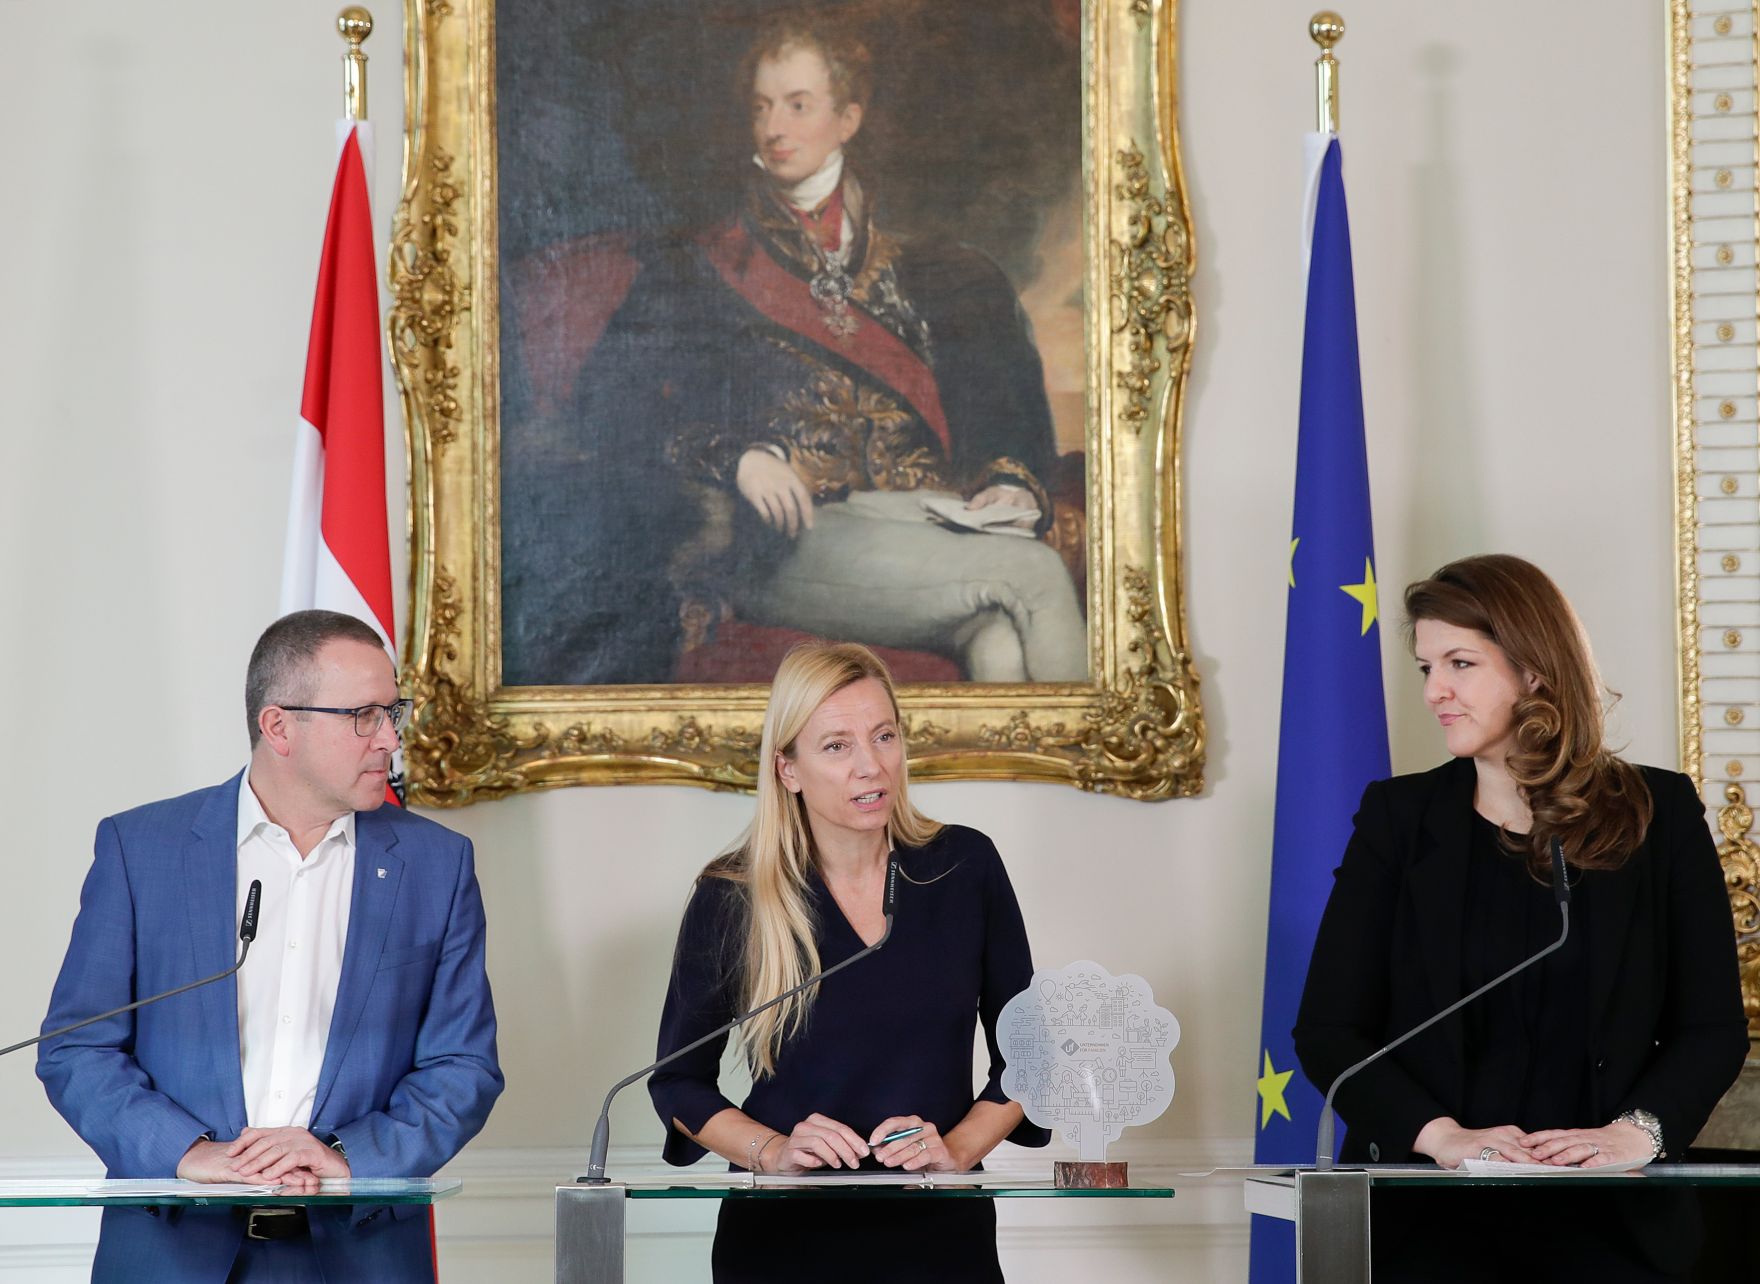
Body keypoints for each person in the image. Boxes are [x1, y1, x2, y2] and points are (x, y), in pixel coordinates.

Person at [505, 14, 1086, 685]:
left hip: (927, 531)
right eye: (762, 107)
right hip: (784, 543)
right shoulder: (696, 269)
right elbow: (608, 406)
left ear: (848, 118)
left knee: (1002, 641)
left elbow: (998, 415)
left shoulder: (931, 273)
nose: (774, 127)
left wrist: (1009, 481)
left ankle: (1010, 790)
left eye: (798, 105)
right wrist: (737, 455)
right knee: (1035, 574)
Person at [1293, 554, 1748, 1282]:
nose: (1435, 691)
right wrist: (1444, 1138)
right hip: (1429, 1219)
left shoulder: (1658, 814)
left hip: (1614, 1224)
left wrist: (1637, 1134)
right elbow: (1328, 1030)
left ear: (1535, 670)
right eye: (1426, 668)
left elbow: (1713, 1027)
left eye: (1460, 663)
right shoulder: (1399, 820)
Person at [38, 610, 504, 1283]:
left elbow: (464, 1066)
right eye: (365, 716)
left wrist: (348, 1159)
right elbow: (77, 1046)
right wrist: (186, 1151)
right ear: (279, 725)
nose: (391, 741)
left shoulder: (437, 865)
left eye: (393, 712)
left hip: (359, 1253)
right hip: (172, 1252)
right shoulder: (142, 850)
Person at [649, 641, 1049, 1281]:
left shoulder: (964, 867)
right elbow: (676, 1082)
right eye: (837, 746)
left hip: (940, 1238)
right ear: (788, 769)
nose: (871, 766)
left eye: (884, 736)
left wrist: (957, 1151)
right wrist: (772, 1152)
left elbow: (1032, 1057)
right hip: (781, 1242)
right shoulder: (733, 896)